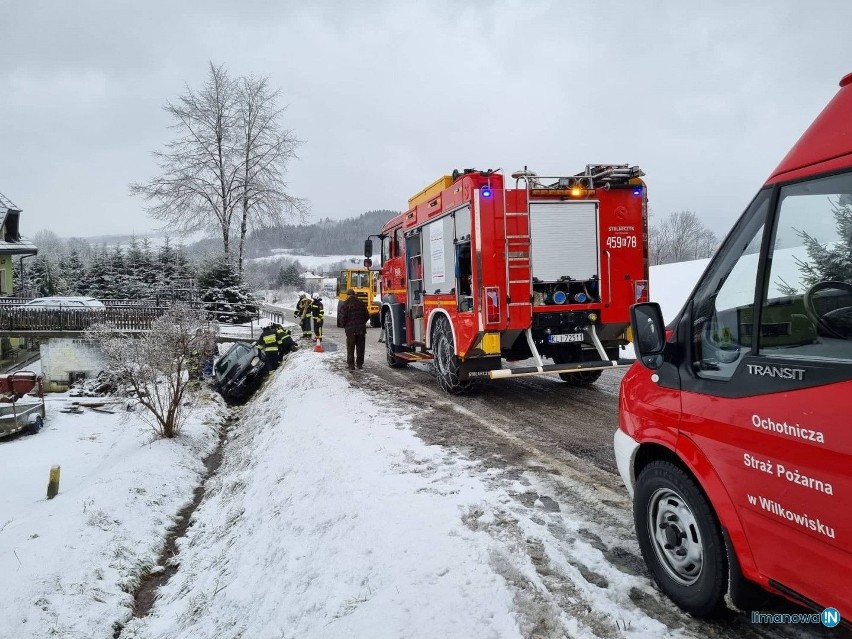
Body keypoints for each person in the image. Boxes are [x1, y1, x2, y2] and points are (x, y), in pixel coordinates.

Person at [337, 288, 370, 372]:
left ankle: (351, 365)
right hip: (361, 330)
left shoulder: (345, 304)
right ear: (354, 295)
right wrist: (362, 323)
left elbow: (342, 318)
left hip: (350, 331)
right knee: (360, 347)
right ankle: (359, 364)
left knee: (350, 348)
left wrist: (345, 326)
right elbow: (367, 315)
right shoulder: (361, 303)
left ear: (347, 295)